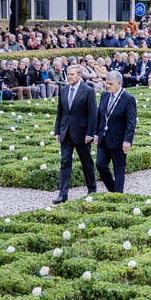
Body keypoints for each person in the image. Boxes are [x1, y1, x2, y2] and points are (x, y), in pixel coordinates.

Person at [53, 64, 98, 204]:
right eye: (68, 74)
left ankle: (92, 189)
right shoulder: (63, 89)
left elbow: (92, 114)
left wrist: (90, 133)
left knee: (86, 162)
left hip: (82, 134)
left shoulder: (88, 90)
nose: (70, 76)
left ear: (79, 75)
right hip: (65, 132)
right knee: (65, 162)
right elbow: (60, 112)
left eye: (72, 74)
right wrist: (57, 131)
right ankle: (63, 194)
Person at [96, 71, 137, 193]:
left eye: (110, 84)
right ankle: (113, 190)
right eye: (106, 83)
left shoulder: (128, 98)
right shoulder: (105, 95)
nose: (107, 86)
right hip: (104, 137)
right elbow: (100, 116)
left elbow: (131, 122)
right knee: (100, 165)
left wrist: (127, 140)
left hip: (119, 139)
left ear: (119, 83)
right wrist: (96, 134)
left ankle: (118, 195)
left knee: (119, 170)